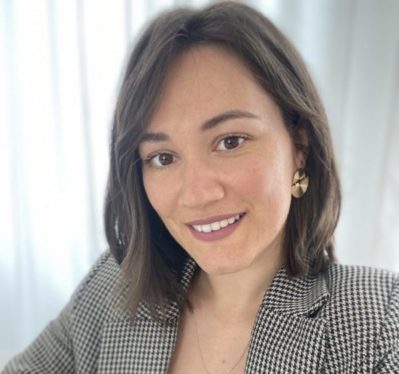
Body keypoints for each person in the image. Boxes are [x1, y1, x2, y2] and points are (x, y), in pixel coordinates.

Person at [3, 1, 399, 373]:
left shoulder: (378, 327)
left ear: (299, 145)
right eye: (163, 157)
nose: (196, 194)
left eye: (230, 141)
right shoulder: (112, 286)